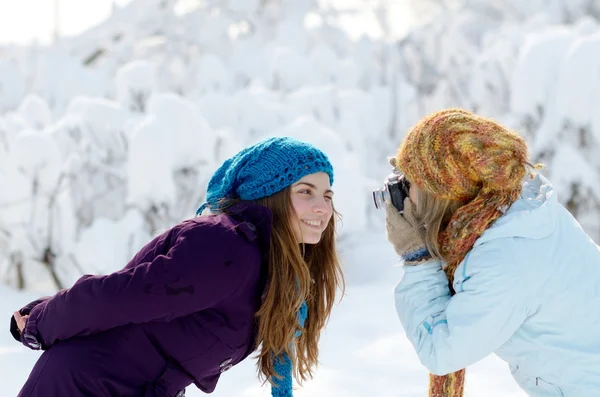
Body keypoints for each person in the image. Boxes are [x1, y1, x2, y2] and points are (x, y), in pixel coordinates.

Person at [10, 136, 344, 397]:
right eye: (306, 191)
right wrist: (41, 321)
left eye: (327, 195)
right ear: (268, 195)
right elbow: (119, 295)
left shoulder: (275, 269)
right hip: (83, 386)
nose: (322, 208)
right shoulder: (226, 246)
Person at [384, 108, 600, 397]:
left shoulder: (505, 256)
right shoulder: (520, 212)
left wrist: (417, 259)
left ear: (439, 195)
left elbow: (442, 352)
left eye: (408, 181)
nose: (401, 193)